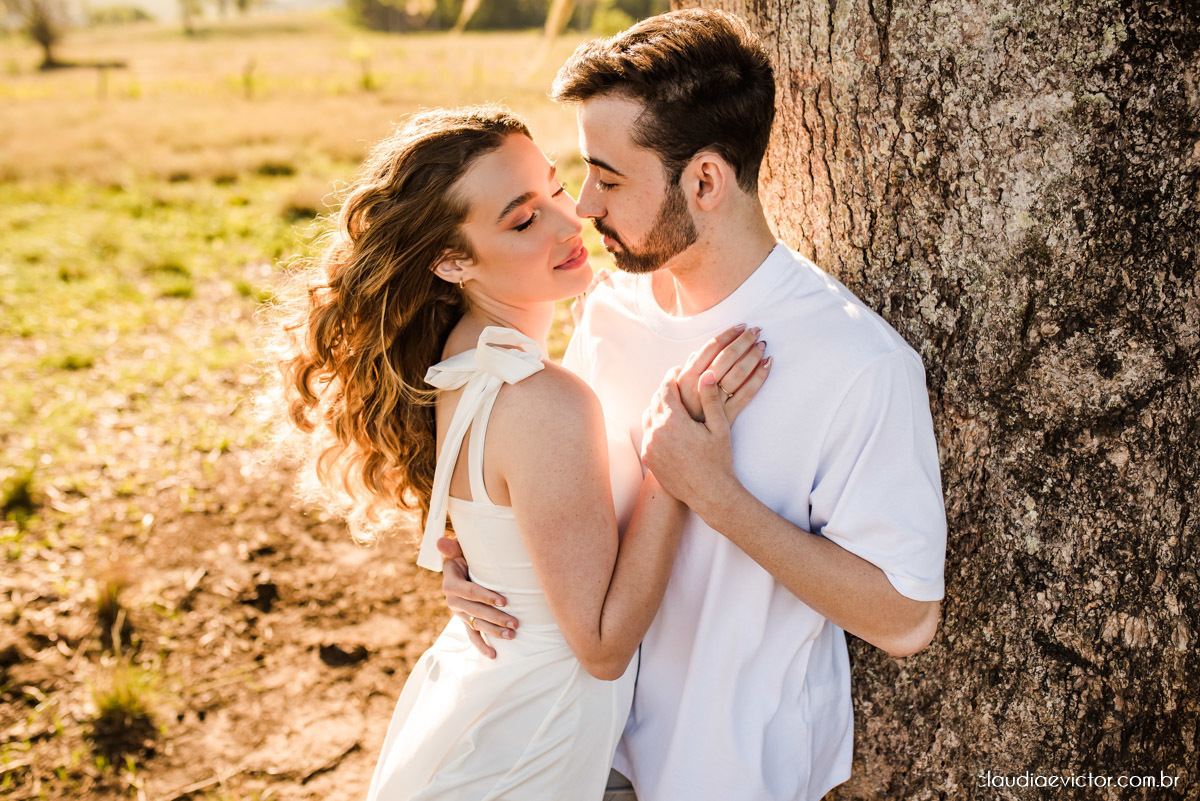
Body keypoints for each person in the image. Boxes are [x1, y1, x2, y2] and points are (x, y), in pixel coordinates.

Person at [438, 10, 949, 801]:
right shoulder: (610, 303)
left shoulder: (857, 363)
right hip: (580, 754)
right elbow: (573, 496)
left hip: (726, 774)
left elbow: (907, 617)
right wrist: (484, 562)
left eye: (609, 177)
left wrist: (713, 493)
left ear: (705, 181)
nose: (585, 205)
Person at [270, 107, 772, 799]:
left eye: (556, 189)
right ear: (453, 260)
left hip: (481, 705)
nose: (571, 224)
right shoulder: (544, 399)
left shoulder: (461, 355)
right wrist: (672, 467)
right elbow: (599, 647)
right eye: (521, 219)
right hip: (527, 741)